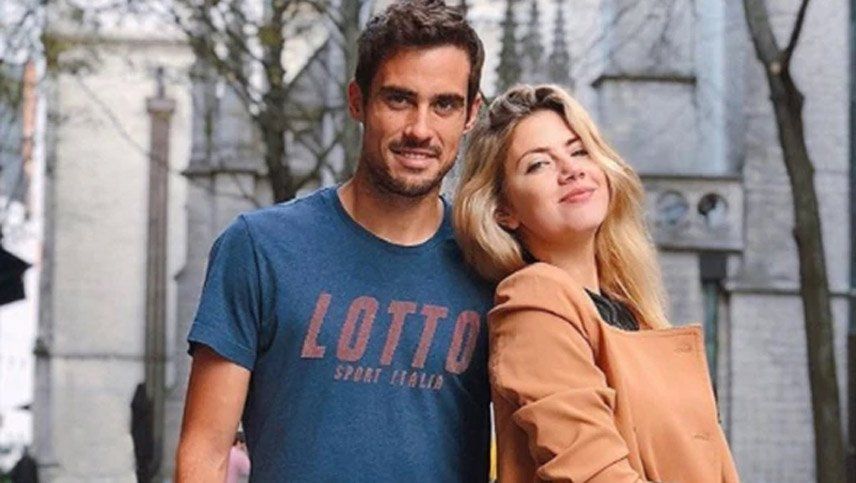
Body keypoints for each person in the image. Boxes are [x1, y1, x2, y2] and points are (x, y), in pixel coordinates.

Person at [175, 1, 492, 481]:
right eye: (399, 100)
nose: (420, 129)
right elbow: (204, 453)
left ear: (471, 114)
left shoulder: (492, 265)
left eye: (444, 105)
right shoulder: (259, 249)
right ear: (357, 101)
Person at [454, 84, 739, 482]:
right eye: (539, 165)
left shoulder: (632, 311)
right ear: (504, 211)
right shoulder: (533, 303)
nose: (571, 170)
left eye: (579, 151)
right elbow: (593, 472)